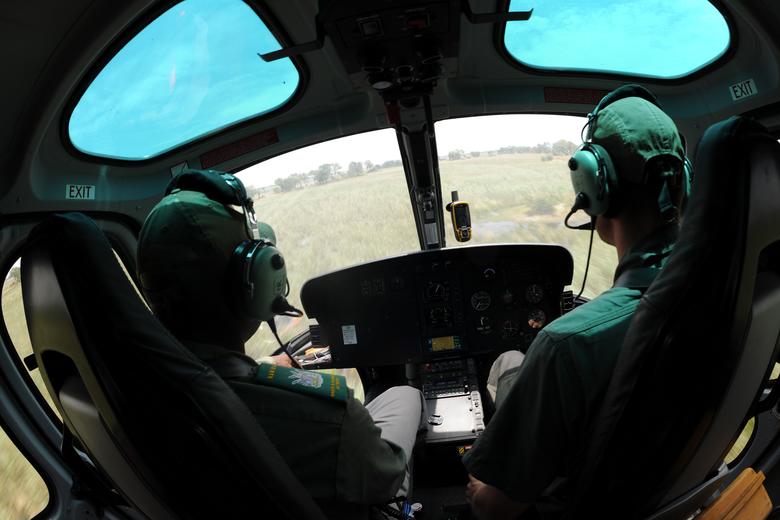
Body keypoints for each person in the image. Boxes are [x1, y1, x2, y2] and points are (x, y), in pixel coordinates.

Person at [136, 169, 426, 510]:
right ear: (256, 280)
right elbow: (385, 478)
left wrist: (254, 368)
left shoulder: (137, 383)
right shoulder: (333, 421)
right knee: (405, 395)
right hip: (370, 486)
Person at [462, 85, 690, 519]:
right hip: (677, 492)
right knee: (511, 361)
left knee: (509, 363)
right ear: (685, 182)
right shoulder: (720, 291)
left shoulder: (566, 344)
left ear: (594, 184)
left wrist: (479, 489)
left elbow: (498, 509)